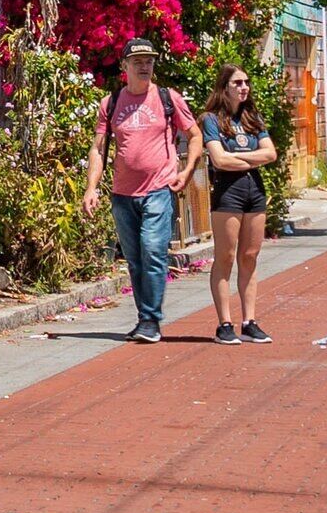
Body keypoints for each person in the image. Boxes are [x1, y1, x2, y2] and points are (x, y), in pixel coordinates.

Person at [79, 36, 195, 344]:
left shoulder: (168, 98)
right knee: (134, 259)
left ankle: (150, 319)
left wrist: (187, 171)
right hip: (123, 194)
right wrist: (91, 188)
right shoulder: (111, 103)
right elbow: (99, 148)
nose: (144, 67)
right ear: (124, 66)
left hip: (159, 188)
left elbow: (194, 135)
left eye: (149, 62)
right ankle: (145, 317)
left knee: (153, 251)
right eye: (138, 62)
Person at [195, 64, 279, 344]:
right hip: (227, 192)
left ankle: (249, 322)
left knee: (250, 255)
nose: (244, 87)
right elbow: (219, 160)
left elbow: (271, 154)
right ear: (224, 87)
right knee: (226, 256)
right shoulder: (210, 119)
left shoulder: (252, 117)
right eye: (237, 83)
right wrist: (252, 158)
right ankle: (224, 324)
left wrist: (238, 159)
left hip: (254, 190)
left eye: (246, 82)